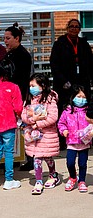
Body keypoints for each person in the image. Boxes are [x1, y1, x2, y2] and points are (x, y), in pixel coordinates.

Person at [50, 18, 93, 150]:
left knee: (84, 109)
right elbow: (54, 64)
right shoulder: (59, 44)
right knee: (66, 111)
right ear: (67, 28)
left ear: (79, 29)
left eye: (76, 26)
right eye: (71, 26)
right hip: (65, 84)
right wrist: (63, 81)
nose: (74, 29)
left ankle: (85, 138)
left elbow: (90, 64)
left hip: (81, 82)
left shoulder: (84, 44)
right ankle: (64, 139)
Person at [0, 58, 23, 190]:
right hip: (8, 123)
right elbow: (18, 107)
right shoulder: (14, 87)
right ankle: (9, 179)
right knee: (8, 152)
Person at [21, 73, 60, 195]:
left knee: (48, 157)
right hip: (34, 136)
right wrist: (32, 120)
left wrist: (39, 124)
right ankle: (38, 181)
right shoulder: (29, 99)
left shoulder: (50, 99)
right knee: (37, 158)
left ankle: (53, 174)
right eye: (30, 85)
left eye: (33, 85)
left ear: (42, 86)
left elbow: (53, 117)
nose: (31, 88)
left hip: (47, 134)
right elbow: (23, 115)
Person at [4, 22, 33, 171]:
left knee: (23, 126)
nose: (5, 41)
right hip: (12, 94)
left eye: (8, 38)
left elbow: (19, 77)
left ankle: (30, 158)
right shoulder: (10, 53)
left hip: (20, 94)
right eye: (5, 38)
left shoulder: (23, 55)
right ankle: (15, 157)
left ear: (17, 38)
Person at [58, 85, 90, 192]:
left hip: (84, 142)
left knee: (82, 163)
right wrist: (64, 131)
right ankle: (72, 177)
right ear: (73, 97)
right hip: (71, 142)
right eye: (78, 96)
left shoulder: (88, 112)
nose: (81, 99)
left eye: (83, 97)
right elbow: (61, 123)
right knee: (70, 162)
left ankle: (82, 181)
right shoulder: (67, 111)